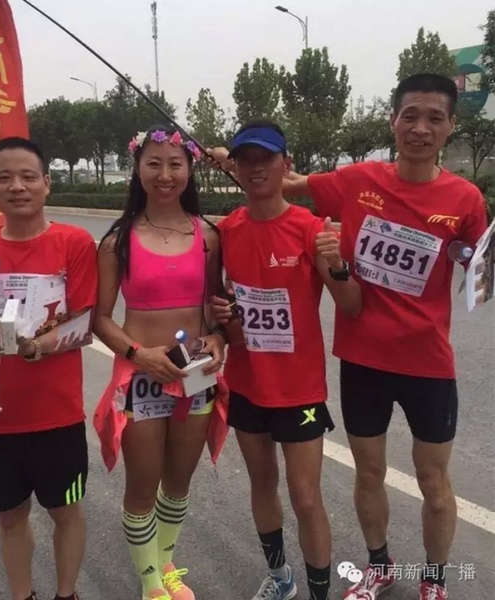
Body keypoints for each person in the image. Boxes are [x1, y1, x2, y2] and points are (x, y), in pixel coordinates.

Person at [207, 73, 488, 600]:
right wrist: (230, 158)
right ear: (393, 120)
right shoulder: (357, 179)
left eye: (434, 118)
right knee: (369, 473)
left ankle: (434, 580)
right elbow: (283, 182)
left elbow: (481, 266)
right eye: (410, 115)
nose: (420, 128)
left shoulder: (466, 199)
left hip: (429, 361)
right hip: (363, 359)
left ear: (451, 125)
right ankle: (379, 567)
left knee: (434, 482)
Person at [207, 120, 363, 600]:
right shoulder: (225, 232)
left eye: (266, 159)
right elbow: (217, 310)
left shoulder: (311, 229)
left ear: (285, 165)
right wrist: (221, 318)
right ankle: (281, 579)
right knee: (262, 484)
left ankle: (319, 593)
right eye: (246, 160)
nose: (256, 168)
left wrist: (337, 266)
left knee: (306, 496)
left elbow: (352, 306)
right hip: (247, 382)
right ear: (235, 168)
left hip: (299, 389)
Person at [0, 137, 98, 600]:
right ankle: (23, 595)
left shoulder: (74, 243)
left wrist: (35, 347)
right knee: (10, 517)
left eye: (28, 176)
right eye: (4, 178)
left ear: (46, 183)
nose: (17, 186)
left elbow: (85, 322)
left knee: (66, 512)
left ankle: (66, 593)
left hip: (56, 416)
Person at [92, 126, 228, 600]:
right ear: (137, 168)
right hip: (141, 379)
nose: (165, 174)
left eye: (175, 164)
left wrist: (218, 338)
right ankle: (151, 585)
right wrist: (139, 355)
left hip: (195, 377)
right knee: (142, 486)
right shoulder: (118, 242)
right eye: (154, 163)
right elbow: (100, 319)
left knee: (178, 482)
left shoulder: (208, 236)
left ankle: (166, 564)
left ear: (190, 169)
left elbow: (217, 307)